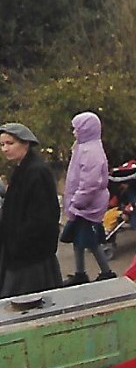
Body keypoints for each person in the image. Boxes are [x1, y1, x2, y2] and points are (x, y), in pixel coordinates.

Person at [0, 123, 62, 298]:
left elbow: (42, 218)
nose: (5, 149)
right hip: (22, 255)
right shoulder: (23, 169)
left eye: (10, 143)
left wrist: (18, 242)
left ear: (25, 143)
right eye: (2, 145)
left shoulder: (36, 171)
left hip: (31, 258)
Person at [61, 112, 116, 285]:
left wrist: (77, 201)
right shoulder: (83, 147)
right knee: (78, 239)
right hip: (82, 205)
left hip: (86, 206)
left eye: (76, 129)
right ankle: (80, 272)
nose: (73, 133)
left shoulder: (90, 151)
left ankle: (106, 272)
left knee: (90, 241)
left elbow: (90, 182)